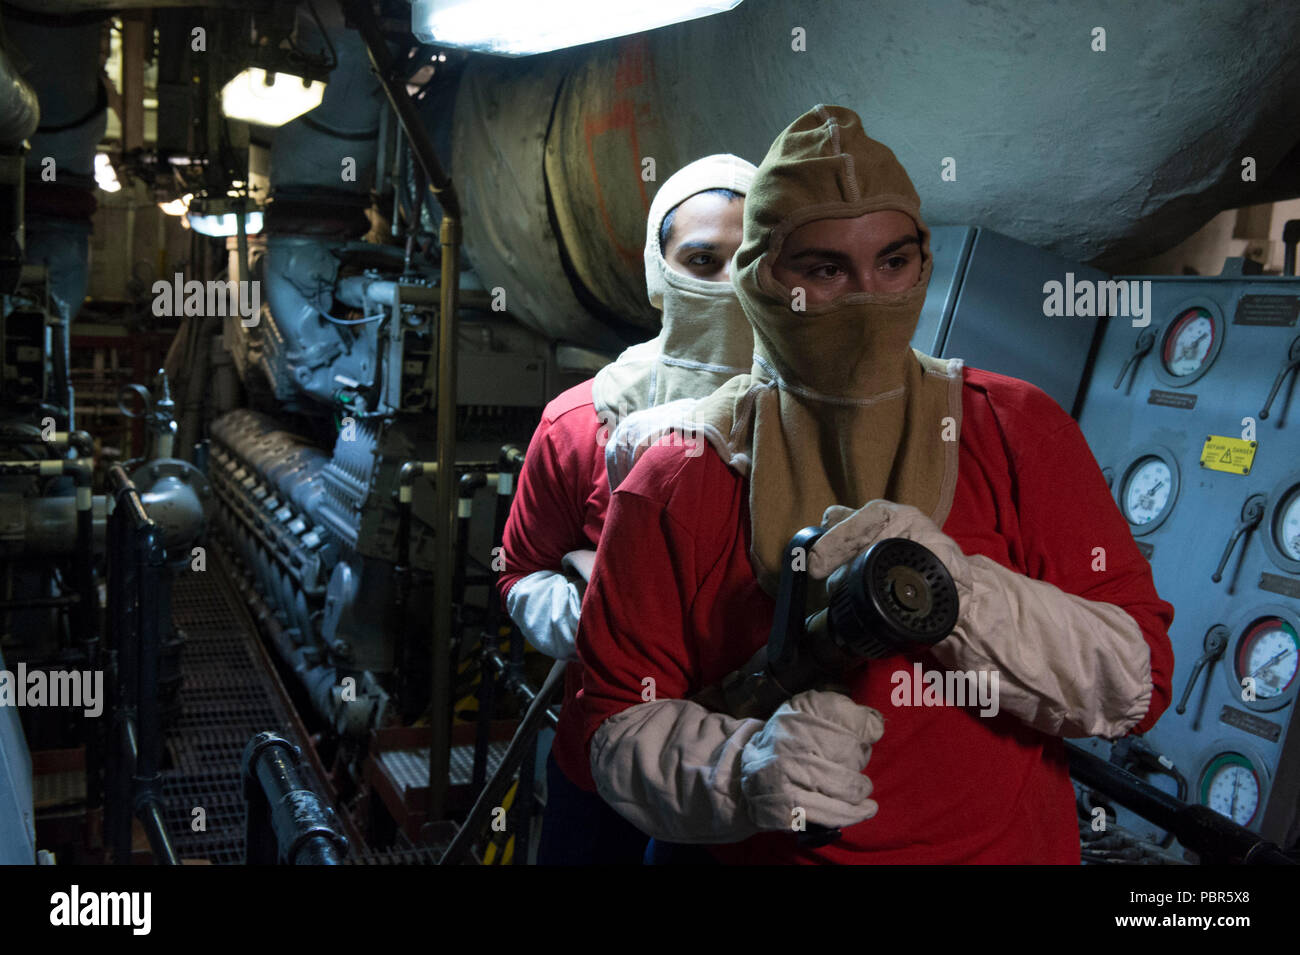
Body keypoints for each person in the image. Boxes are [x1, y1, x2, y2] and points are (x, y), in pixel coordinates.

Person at [578, 105, 1176, 864]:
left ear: (922, 265)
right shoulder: (678, 472)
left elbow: (1136, 681)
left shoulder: (1017, 429)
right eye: (825, 269)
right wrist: (740, 770)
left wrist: (963, 595)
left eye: (891, 263)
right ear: (764, 280)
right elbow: (614, 723)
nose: (868, 295)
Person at [497, 154, 757, 864]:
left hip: (751, 782)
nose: (729, 284)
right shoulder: (581, 421)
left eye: (751, 258)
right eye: (701, 260)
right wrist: (603, 617)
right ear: (657, 269)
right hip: (602, 772)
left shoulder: (820, 427)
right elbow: (520, 573)